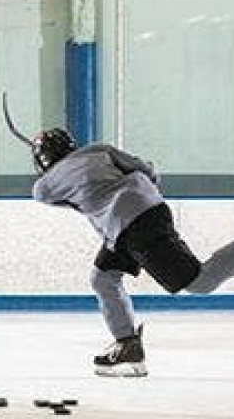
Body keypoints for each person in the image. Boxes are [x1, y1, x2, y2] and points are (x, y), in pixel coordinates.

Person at [29, 129, 234, 377]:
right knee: (103, 277)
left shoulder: (45, 186)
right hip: (139, 216)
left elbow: (54, 197)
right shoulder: (99, 149)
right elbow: (145, 169)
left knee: (199, 282)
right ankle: (127, 345)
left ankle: (128, 345)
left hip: (130, 225)